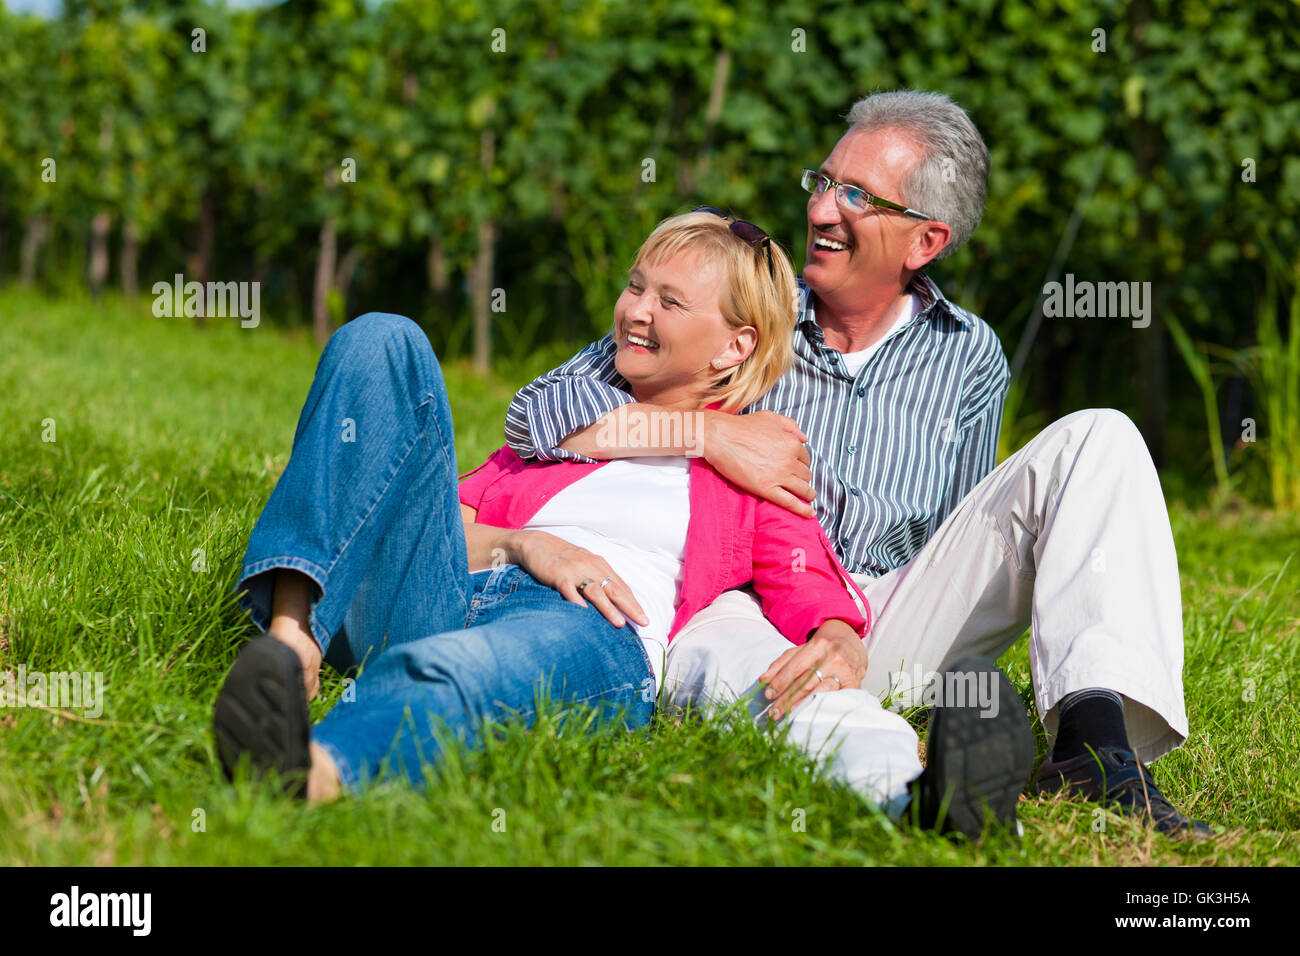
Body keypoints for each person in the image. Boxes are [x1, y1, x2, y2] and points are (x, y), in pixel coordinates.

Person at [503, 91, 1210, 837]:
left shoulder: (969, 355)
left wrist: (864, 624)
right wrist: (707, 435)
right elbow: (534, 418)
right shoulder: (743, 311)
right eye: (823, 182)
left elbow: (959, 528)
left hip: (888, 613)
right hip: (741, 594)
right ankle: (908, 783)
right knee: (740, 651)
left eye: (856, 196)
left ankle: (1096, 750)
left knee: (1101, 435)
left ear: (924, 241)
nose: (819, 211)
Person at [214, 208, 1034, 831]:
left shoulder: (756, 469)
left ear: (732, 349)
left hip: (590, 628)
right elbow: (429, 519)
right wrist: (524, 542)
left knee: (471, 672)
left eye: (669, 300)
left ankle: (314, 767)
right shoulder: (573, 429)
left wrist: (836, 634)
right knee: (381, 338)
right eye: (636, 285)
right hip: (441, 590)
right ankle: (294, 639)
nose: (635, 310)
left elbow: (809, 579)